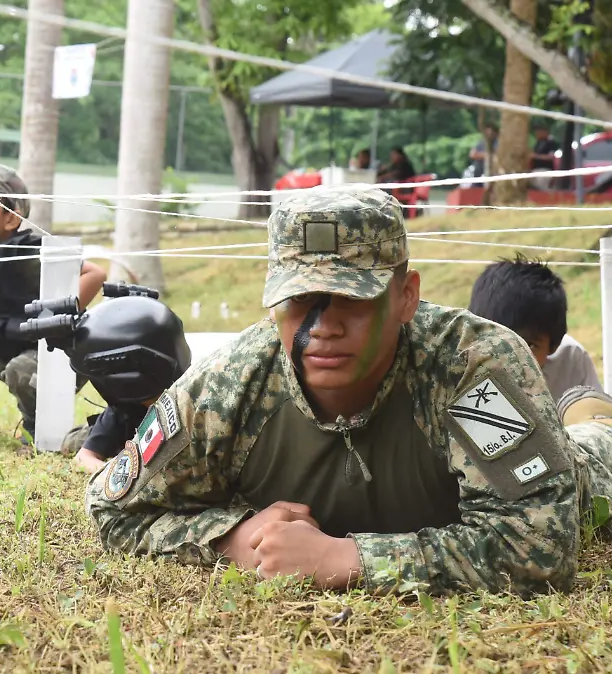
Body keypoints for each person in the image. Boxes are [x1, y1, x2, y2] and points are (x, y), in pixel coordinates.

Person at [86, 186, 612, 596]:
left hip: (583, 464)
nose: (322, 328)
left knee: (593, 437)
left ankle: (591, 410)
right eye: (299, 301)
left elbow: (540, 541)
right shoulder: (229, 383)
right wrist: (233, 541)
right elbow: (114, 507)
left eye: (350, 300)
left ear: (407, 297)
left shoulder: (470, 366)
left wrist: (346, 560)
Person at [0, 162, 107, 444]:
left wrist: (54, 322)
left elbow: (94, 273)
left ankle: (38, 426)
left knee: (21, 371)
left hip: (52, 356)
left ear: (11, 219)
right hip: (1, 343)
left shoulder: (29, 251)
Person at [42, 284, 191, 474]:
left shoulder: (193, 399)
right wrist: (118, 473)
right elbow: (83, 458)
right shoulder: (123, 411)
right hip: (119, 435)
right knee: (73, 441)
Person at [468, 255, 602, 401]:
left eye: (529, 346)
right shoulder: (452, 367)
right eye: (497, 341)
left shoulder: (569, 360)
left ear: (553, 346)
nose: (510, 358)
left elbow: (596, 417)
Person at [530, 124, 561, 189]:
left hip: (545, 170)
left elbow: (551, 157)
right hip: (535, 169)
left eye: (539, 131)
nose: (537, 133)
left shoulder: (551, 143)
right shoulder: (539, 142)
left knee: (542, 186)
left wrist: (536, 156)